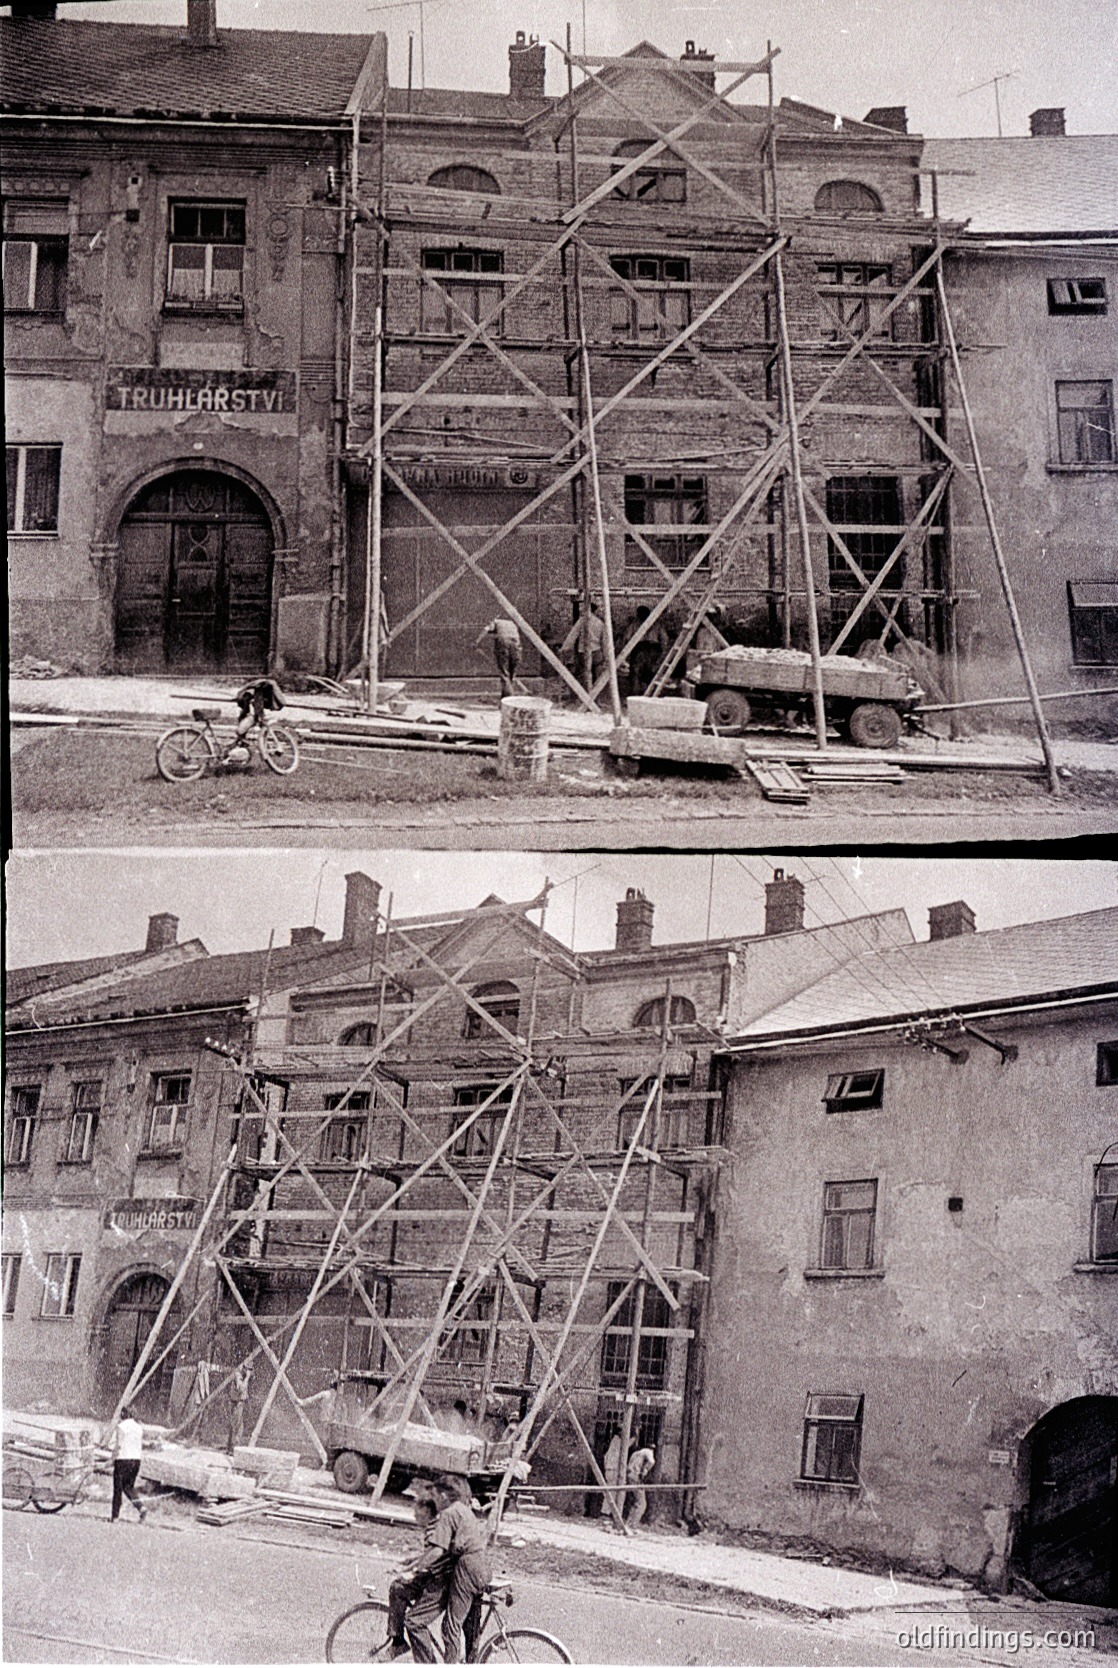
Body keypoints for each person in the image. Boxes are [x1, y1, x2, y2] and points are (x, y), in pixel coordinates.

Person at [401, 1475, 493, 1663]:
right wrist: (414, 1562)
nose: (433, 1500)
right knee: (466, 1623)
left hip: (467, 1568)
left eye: (434, 1495)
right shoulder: (464, 1510)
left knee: (450, 1626)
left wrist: (415, 1570)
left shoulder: (449, 1513)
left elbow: (437, 1550)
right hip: (480, 1565)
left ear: (443, 1495)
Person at [383, 1496, 442, 1660]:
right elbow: (427, 1554)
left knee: (399, 1591)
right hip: (433, 1576)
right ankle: (399, 1641)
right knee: (399, 1588)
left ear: (426, 1512)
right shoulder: (434, 1527)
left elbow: (431, 1558)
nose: (415, 1517)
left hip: (435, 1579)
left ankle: (400, 1643)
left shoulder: (432, 1530)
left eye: (418, 1514)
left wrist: (412, 1570)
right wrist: (409, 1563)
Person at [110, 1405, 147, 1523]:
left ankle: (115, 1517)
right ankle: (141, 1507)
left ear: (123, 1415)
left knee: (118, 1489)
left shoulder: (121, 1427)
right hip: (136, 1460)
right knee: (128, 1487)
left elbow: (119, 1445)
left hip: (123, 1460)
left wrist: (111, 1459)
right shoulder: (139, 1428)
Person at [474, 618, 522, 700]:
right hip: (516, 643)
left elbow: (486, 629)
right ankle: (505, 696)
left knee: (504, 672)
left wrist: (476, 642)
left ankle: (509, 699)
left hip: (503, 642)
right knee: (511, 672)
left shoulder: (495, 621)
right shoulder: (511, 623)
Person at [232, 674, 285, 744]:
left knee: (246, 727)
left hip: (257, 711)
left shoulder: (261, 688)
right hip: (254, 711)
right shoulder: (257, 689)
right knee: (242, 729)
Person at [625, 1441, 656, 1530]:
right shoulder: (648, 1452)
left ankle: (628, 1523)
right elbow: (651, 1461)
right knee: (641, 1503)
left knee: (636, 1502)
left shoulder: (635, 1453)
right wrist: (645, 1470)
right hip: (636, 1477)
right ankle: (632, 1526)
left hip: (630, 1476)